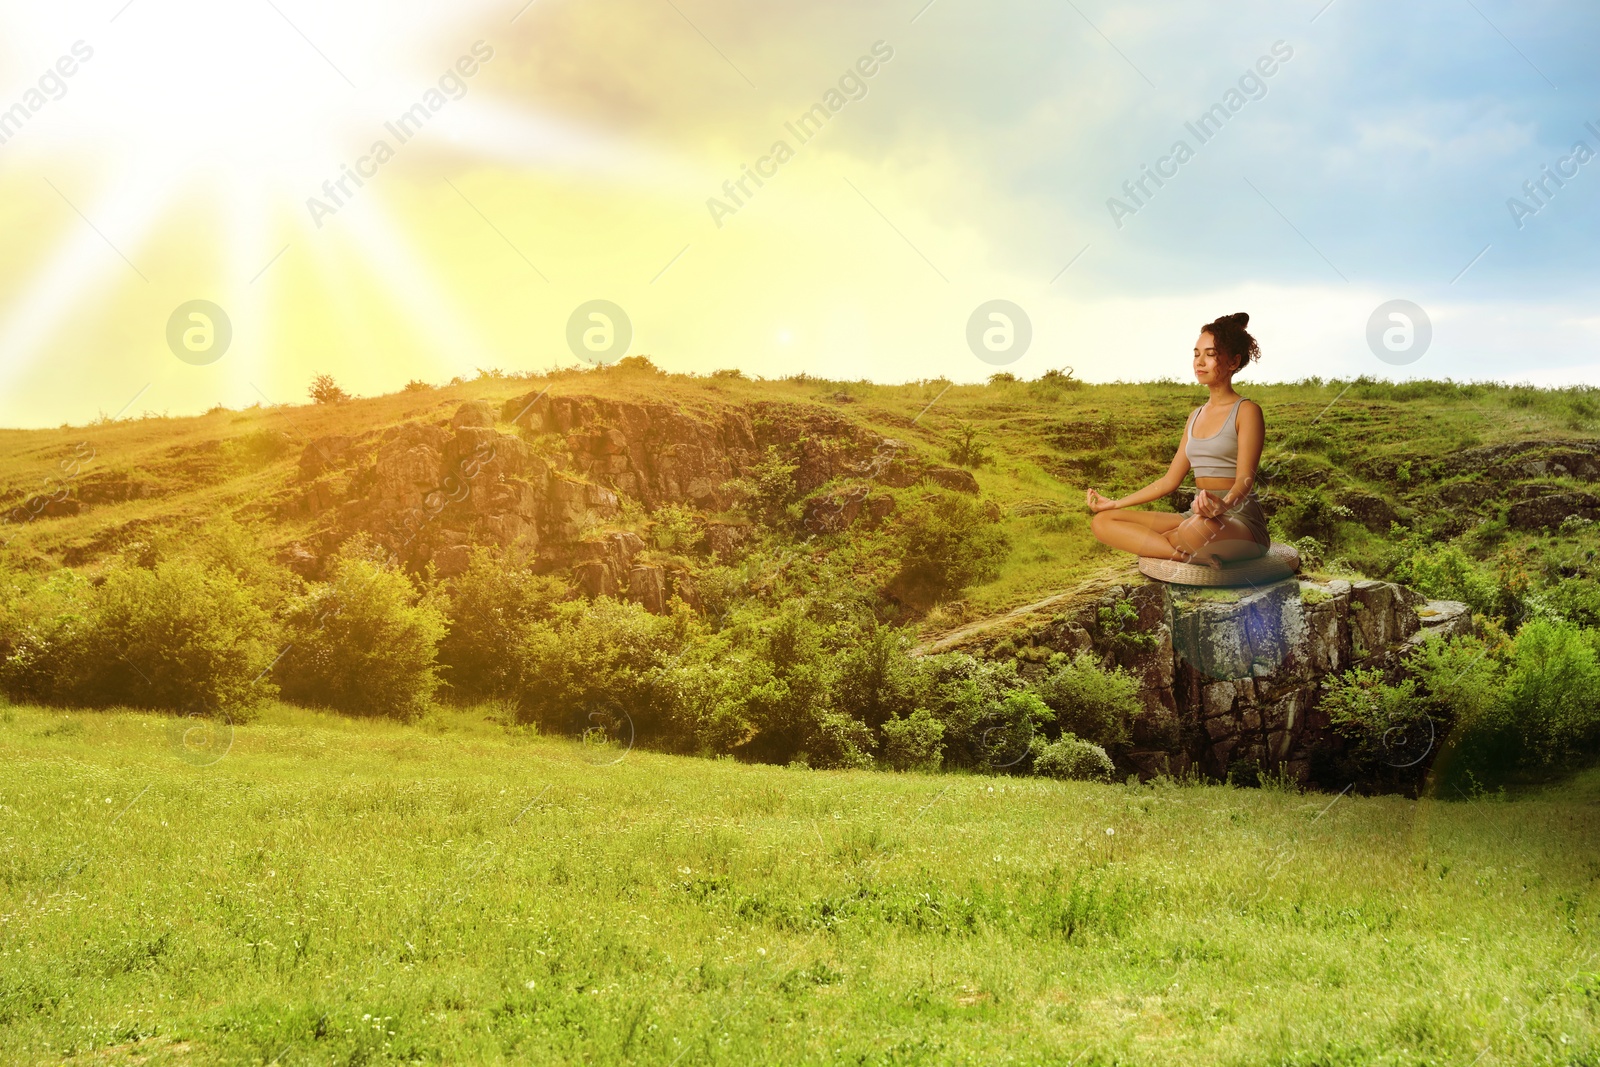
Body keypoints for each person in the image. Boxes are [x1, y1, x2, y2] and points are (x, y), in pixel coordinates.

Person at [1085, 313, 1271, 568]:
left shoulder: (1247, 411)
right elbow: (1169, 481)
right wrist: (1116, 503)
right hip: (1196, 516)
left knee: (1193, 530)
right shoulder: (1195, 416)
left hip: (1238, 521)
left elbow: (1245, 480)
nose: (1200, 362)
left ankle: (1168, 544)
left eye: (1211, 354)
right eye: (1196, 354)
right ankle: (1186, 554)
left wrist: (1223, 505)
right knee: (1103, 522)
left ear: (1233, 361)